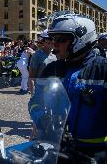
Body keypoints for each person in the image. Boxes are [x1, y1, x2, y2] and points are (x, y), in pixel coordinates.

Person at [29, 14, 107, 163]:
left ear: (80, 39)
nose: (54, 44)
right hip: (58, 147)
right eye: (53, 39)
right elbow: (35, 101)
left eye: (61, 40)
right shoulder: (52, 69)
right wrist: (41, 119)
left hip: (95, 153)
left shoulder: (103, 70)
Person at [28, 29, 56, 94]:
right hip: (40, 90)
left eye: (53, 39)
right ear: (43, 41)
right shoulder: (37, 55)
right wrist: (33, 95)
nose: (52, 41)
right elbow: (31, 78)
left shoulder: (55, 55)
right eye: (49, 39)